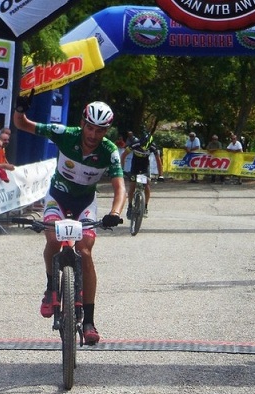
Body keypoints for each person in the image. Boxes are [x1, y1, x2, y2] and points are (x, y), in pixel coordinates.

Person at [13, 96, 126, 345]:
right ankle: (51, 287)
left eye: (100, 130)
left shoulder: (109, 151)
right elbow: (22, 124)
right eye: (90, 127)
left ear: (106, 131)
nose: (93, 134)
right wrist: (20, 108)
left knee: (85, 251)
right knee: (53, 238)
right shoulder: (65, 134)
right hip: (58, 198)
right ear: (82, 123)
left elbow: (120, 188)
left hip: (85, 202)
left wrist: (115, 213)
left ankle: (89, 321)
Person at [121, 131, 163, 218]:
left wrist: (161, 175)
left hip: (145, 167)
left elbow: (158, 161)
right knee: (132, 186)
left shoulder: (153, 147)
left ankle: (145, 207)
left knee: (147, 186)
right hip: (135, 167)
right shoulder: (135, 144)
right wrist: (121, 169)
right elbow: (123, 155)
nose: (144, 149)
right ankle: (129, 206)